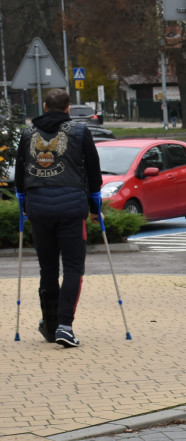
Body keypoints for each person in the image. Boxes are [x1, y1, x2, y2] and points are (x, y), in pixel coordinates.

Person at [13, 88, 102, 348]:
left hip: (38, 207)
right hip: (71, 209)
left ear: (43, 105)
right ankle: (65, 325)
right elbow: (93, 172)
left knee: (48, 269)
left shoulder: (28, 133)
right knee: (74, 268)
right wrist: (95, 205)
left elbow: (20, 172)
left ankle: (50, 326)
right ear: (68, 108)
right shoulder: (80, 132)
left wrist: (23, 203)